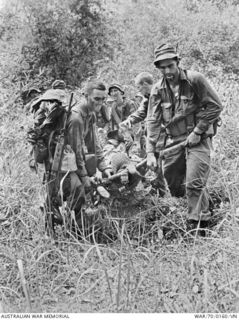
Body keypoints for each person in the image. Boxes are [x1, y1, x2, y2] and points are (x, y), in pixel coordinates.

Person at [146, 43, 223, 230]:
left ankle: (199, 226)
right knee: (173, 182)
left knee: (194, 182)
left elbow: (215, 106)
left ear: (177, 62)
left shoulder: (195, 80)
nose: (167, 71)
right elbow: (153, 121)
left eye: (170, 65)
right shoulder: (157, 90)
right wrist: (150, 152)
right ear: (158, 68)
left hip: (198, 140)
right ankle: (200, 205)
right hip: (174, 142)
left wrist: (198, 131)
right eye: (162, 67)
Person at [120, 72, 166, 196]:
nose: (138, 90)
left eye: (138, 87)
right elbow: (141, 112)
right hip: (154, 137)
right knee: (154, 162)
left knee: (165, 164)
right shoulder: (148, 97)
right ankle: (159, 190)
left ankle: (168, 192)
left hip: (165, 135)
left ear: (145, 84)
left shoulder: (163, 93)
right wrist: (129, 120)